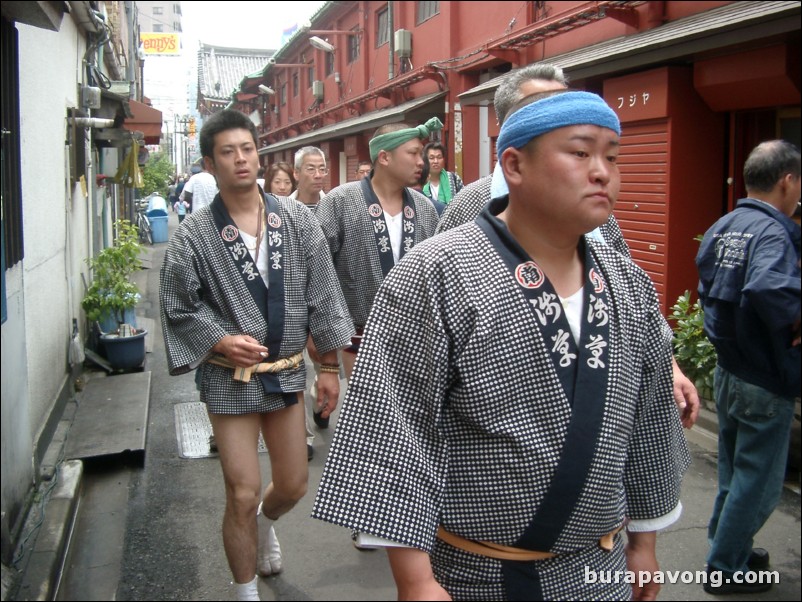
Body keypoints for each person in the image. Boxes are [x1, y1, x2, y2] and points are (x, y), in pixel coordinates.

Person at [313, 90, 690, 600]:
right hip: (478, 574)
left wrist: (643, 542)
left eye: (612, 157)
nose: (602, 171)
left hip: (600, 567)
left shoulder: (628, 283)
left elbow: (648, 423)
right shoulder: (438, 272)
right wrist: (416, 580)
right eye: (581, 153)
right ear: (513, 164)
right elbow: (398, 426)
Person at [437, 62, 699, 428]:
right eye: (542, 107)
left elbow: (634, 305)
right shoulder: (470, 207)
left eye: (611, 157)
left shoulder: (597, 217)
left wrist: (666, 365)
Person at [159, 109, 353, 601]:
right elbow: (179, 304)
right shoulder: (195, 234)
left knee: (290, 486)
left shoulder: (296, 219)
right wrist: (220, 339)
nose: (240, 159)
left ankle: (268, 525)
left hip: (285, 371)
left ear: (258, 155)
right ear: (210, 162)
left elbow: (324, 293)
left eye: (247, 149)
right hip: (231, 377)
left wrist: (327, 365)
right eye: (228, 152)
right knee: (242, 491)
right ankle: (244, 590)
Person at [696, 139, 801, 595]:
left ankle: (729, 547)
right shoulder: (774, 233)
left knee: (734, 473)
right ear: (787, 180)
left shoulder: (727, 224)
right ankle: (725, 567)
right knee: (757, 482)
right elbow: (768, 289)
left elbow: (705, 277)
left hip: (729, 371)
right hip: (763, 374)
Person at [315, 118, 442, 382]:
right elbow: (318, 275)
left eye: (422, 154)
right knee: (370, 416)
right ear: (384, 157)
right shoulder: (340, 202)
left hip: (415, 337)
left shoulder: (425, 208)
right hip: (359, 336)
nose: (422, 161)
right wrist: (321, 337)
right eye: (413, 153)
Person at [265, 160, 317, 459]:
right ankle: (302, 436)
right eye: (278, 182)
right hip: (274, 317)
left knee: (306, 371)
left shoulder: (308, 211)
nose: (283, 187)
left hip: (303, 310)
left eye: (287, 182)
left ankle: (305, 433)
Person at [290, 147, 327, 212]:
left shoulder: (333, 208)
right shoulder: (283, 208)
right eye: (311, 169)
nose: (318, 175)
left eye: (322, 169)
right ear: (296, 173)